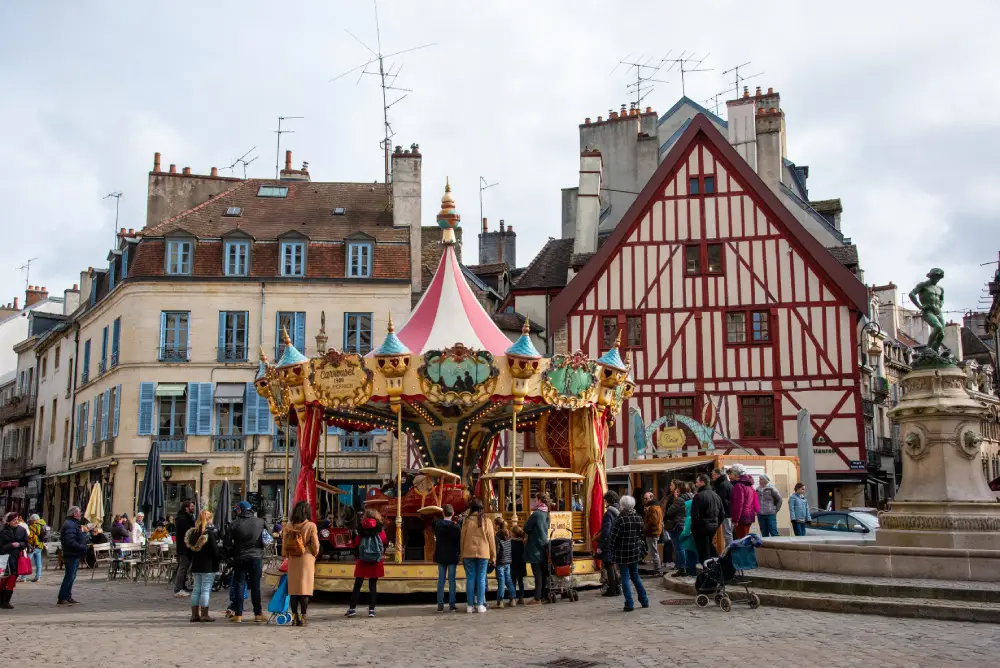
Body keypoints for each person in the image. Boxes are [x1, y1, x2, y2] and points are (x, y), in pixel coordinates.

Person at [226, 500, 267, 623]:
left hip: (240, 557)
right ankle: (258, 613)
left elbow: (227, 543)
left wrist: (232, 554)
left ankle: (238, 614)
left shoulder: (234, 524)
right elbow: (268, 538)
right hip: (256, 557)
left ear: (239, 510)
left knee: (240, 585)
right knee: (256, 586)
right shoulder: (260, 522)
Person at [283, 500, 320, 627]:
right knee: (305, 589)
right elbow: (315, 545)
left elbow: (284, 544)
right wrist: (314, 553)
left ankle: (294, 617)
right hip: (306, 558)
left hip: (293, 558)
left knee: (293, 590)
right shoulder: (311, 525)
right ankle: (303, 617)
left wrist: (286, 554)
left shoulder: (289, 526)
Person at [608, 495, 649, 612]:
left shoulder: (620, 519)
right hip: (635, 552)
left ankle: (629, 603)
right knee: (635, 575)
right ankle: (644, 600)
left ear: (622, 506)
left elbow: (613, 537)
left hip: (622, 553)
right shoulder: (638, 518)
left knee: (625, 577)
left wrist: (610, 550)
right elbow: (642, 535)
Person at [346, 508, 387, 618]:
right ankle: (371, 610)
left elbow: (356, 544)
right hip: (376, 560)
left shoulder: (361, 528)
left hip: (362, 560)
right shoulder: (380, 529)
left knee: (357, 584)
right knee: (372, 585)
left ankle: (352, 609)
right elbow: (384, 541)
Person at [459, 498, 495, 613]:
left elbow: (462, 539)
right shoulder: (486, 521)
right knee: (481, 578)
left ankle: (470, 605)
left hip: (468, 552)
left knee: (470, 578)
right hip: (483, 552)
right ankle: (480, 604)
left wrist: (462, 554)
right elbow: (491, 540)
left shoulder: (466, 521)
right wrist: (493, 556)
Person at [185, 509, 220, 623]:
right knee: (205, 590)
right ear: (209, 519)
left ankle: (194, 615)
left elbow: (189, 551)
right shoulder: (209, 533)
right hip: (208, 565)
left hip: (196, 564)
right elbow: (215, 551)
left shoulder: (193, 533)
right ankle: (204, 615)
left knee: (196, 590)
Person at [522, 493, 551, 606]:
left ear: (540, 500)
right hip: (544, 545)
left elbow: (525, 528)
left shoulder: (536, 514)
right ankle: (543, 596)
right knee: (543, 573)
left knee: (537, 573)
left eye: (536, 500)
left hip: (535, 546)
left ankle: (537, 598)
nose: (535, 501)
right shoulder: (547, 513)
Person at [690, 474, 725, 566]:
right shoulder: (716, 495)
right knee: (709, 546)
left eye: (697, 482)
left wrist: (695, 529)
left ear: (702, 482)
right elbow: (722, 514)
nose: (696, 484)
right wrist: (716, 524)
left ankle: (709, 570)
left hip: (702, 527)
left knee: (703, 552)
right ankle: (719, 566)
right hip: (712, 526)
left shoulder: (699, 496)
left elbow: (694, 515)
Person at [432, 503, 461, 612]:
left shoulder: (438, 525)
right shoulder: (456, 527)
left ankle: (440, 605)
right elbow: (458, 542)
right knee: (452, 581)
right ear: (453, 513)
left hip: (441, 554)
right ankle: (452, 604)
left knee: (441, 580)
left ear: (443, 513)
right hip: (452, 555)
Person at [58, 506, 88, 605]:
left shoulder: (73, 524)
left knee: (72, 576)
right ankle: (63, 597)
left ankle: (67, 596)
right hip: (71, 553)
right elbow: (70, 541)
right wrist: (81, 546)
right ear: (74, 514)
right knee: (69, 576)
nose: (81, 514)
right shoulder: (70, 524)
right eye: (79, 512)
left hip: (74, 553)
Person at [0, 512, 29, 609]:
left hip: (16, 559)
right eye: (14, 520)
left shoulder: (22, 530)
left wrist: (20, 544)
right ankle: (1, 601)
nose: (16, 521)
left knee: (12, 580)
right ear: (8, 522)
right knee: (3, 581)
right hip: (4, 559)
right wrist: (10, 545)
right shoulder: (2, 531)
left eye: (17, 519)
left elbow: (26, 543)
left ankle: (6, 602)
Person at [597, 491, 621, 597]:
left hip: (609, 542)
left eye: (605, 500)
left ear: (608, 501)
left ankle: (612, 589)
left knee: (609, 564)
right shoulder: (620, 510)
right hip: (618, 541)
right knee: (613, 564)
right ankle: (617, 587)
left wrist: (600, 546)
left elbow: (606, 532)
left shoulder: (609, 513)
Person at [728, 465, 759, 539]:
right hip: (749, 515)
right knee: (745, 538)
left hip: (741, 517)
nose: (729, 476)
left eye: (731, 473)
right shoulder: (749, 485)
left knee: (742, 540)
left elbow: (738, 504)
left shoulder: (739, 486)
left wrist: (735, 520)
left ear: (736, 474)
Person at [173, 499, 196, 597]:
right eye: (192, 506)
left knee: (185, 568)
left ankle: (182, 586)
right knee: (183, 567)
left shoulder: (187, 518)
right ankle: (178, 589)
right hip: (183, 548)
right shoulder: (182, 519)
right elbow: (187, 532)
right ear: (186, 508)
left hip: (186, 547)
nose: (193, 508)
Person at [663, 481, 686, 576]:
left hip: (677, 524)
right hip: (681, 524)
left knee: (679, 547)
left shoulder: (678, 499)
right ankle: (681, 566)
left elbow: (669, 511)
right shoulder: (687, 497)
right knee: (680, 547)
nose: (670, 487)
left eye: (672, 485)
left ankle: (682, 568)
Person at [493, 519, 515, 608]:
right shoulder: (508, 534)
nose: (494, 526)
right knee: (508, 580)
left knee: (501, 581)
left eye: (494, 524)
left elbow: (497, 550)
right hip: (508, 561)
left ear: (498, 525)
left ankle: (500, 602)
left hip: (500, 561)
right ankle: (512, 600)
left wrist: (494, 558)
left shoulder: (497, 536)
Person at [711, 468, 734, 546]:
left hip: (726, 512)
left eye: (713, 475)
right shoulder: (727, 483)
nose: (712, 477)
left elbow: (721, 500)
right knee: (729, 533)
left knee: (728, 534)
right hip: (729, 511)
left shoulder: (722, 485)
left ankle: (729, 551)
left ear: (718, 475)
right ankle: (729, 550)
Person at [642, 491, 663, 574]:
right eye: (644, 498)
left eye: (646, 498)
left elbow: (653, 521)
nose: (645, 500)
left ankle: (657, 569)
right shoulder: (656, 507)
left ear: (651, 498)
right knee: (654, 550)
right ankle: (657, 569)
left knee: (653, 551)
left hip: (652, 532)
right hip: (654, 531)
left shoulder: (652, 508)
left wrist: (645, 528)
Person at [27, 514, 48, 583]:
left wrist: (28, 543)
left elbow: (30, 536)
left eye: (31, 520)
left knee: (27, 561)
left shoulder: (33, 526)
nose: (30, 521)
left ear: (34, 520)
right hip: (40, 546)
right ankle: (38, 577)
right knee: (38, 563)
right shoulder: (44, 525)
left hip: (33, 546)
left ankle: (23, 577)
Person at [510, 525, 527, 605]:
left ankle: (513, 599)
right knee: (520, 581)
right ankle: (521, 598)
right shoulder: (523, 542)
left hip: (513, 563)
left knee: (513, 581)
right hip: (521, 563)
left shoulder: (511, 542)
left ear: (514, 534)